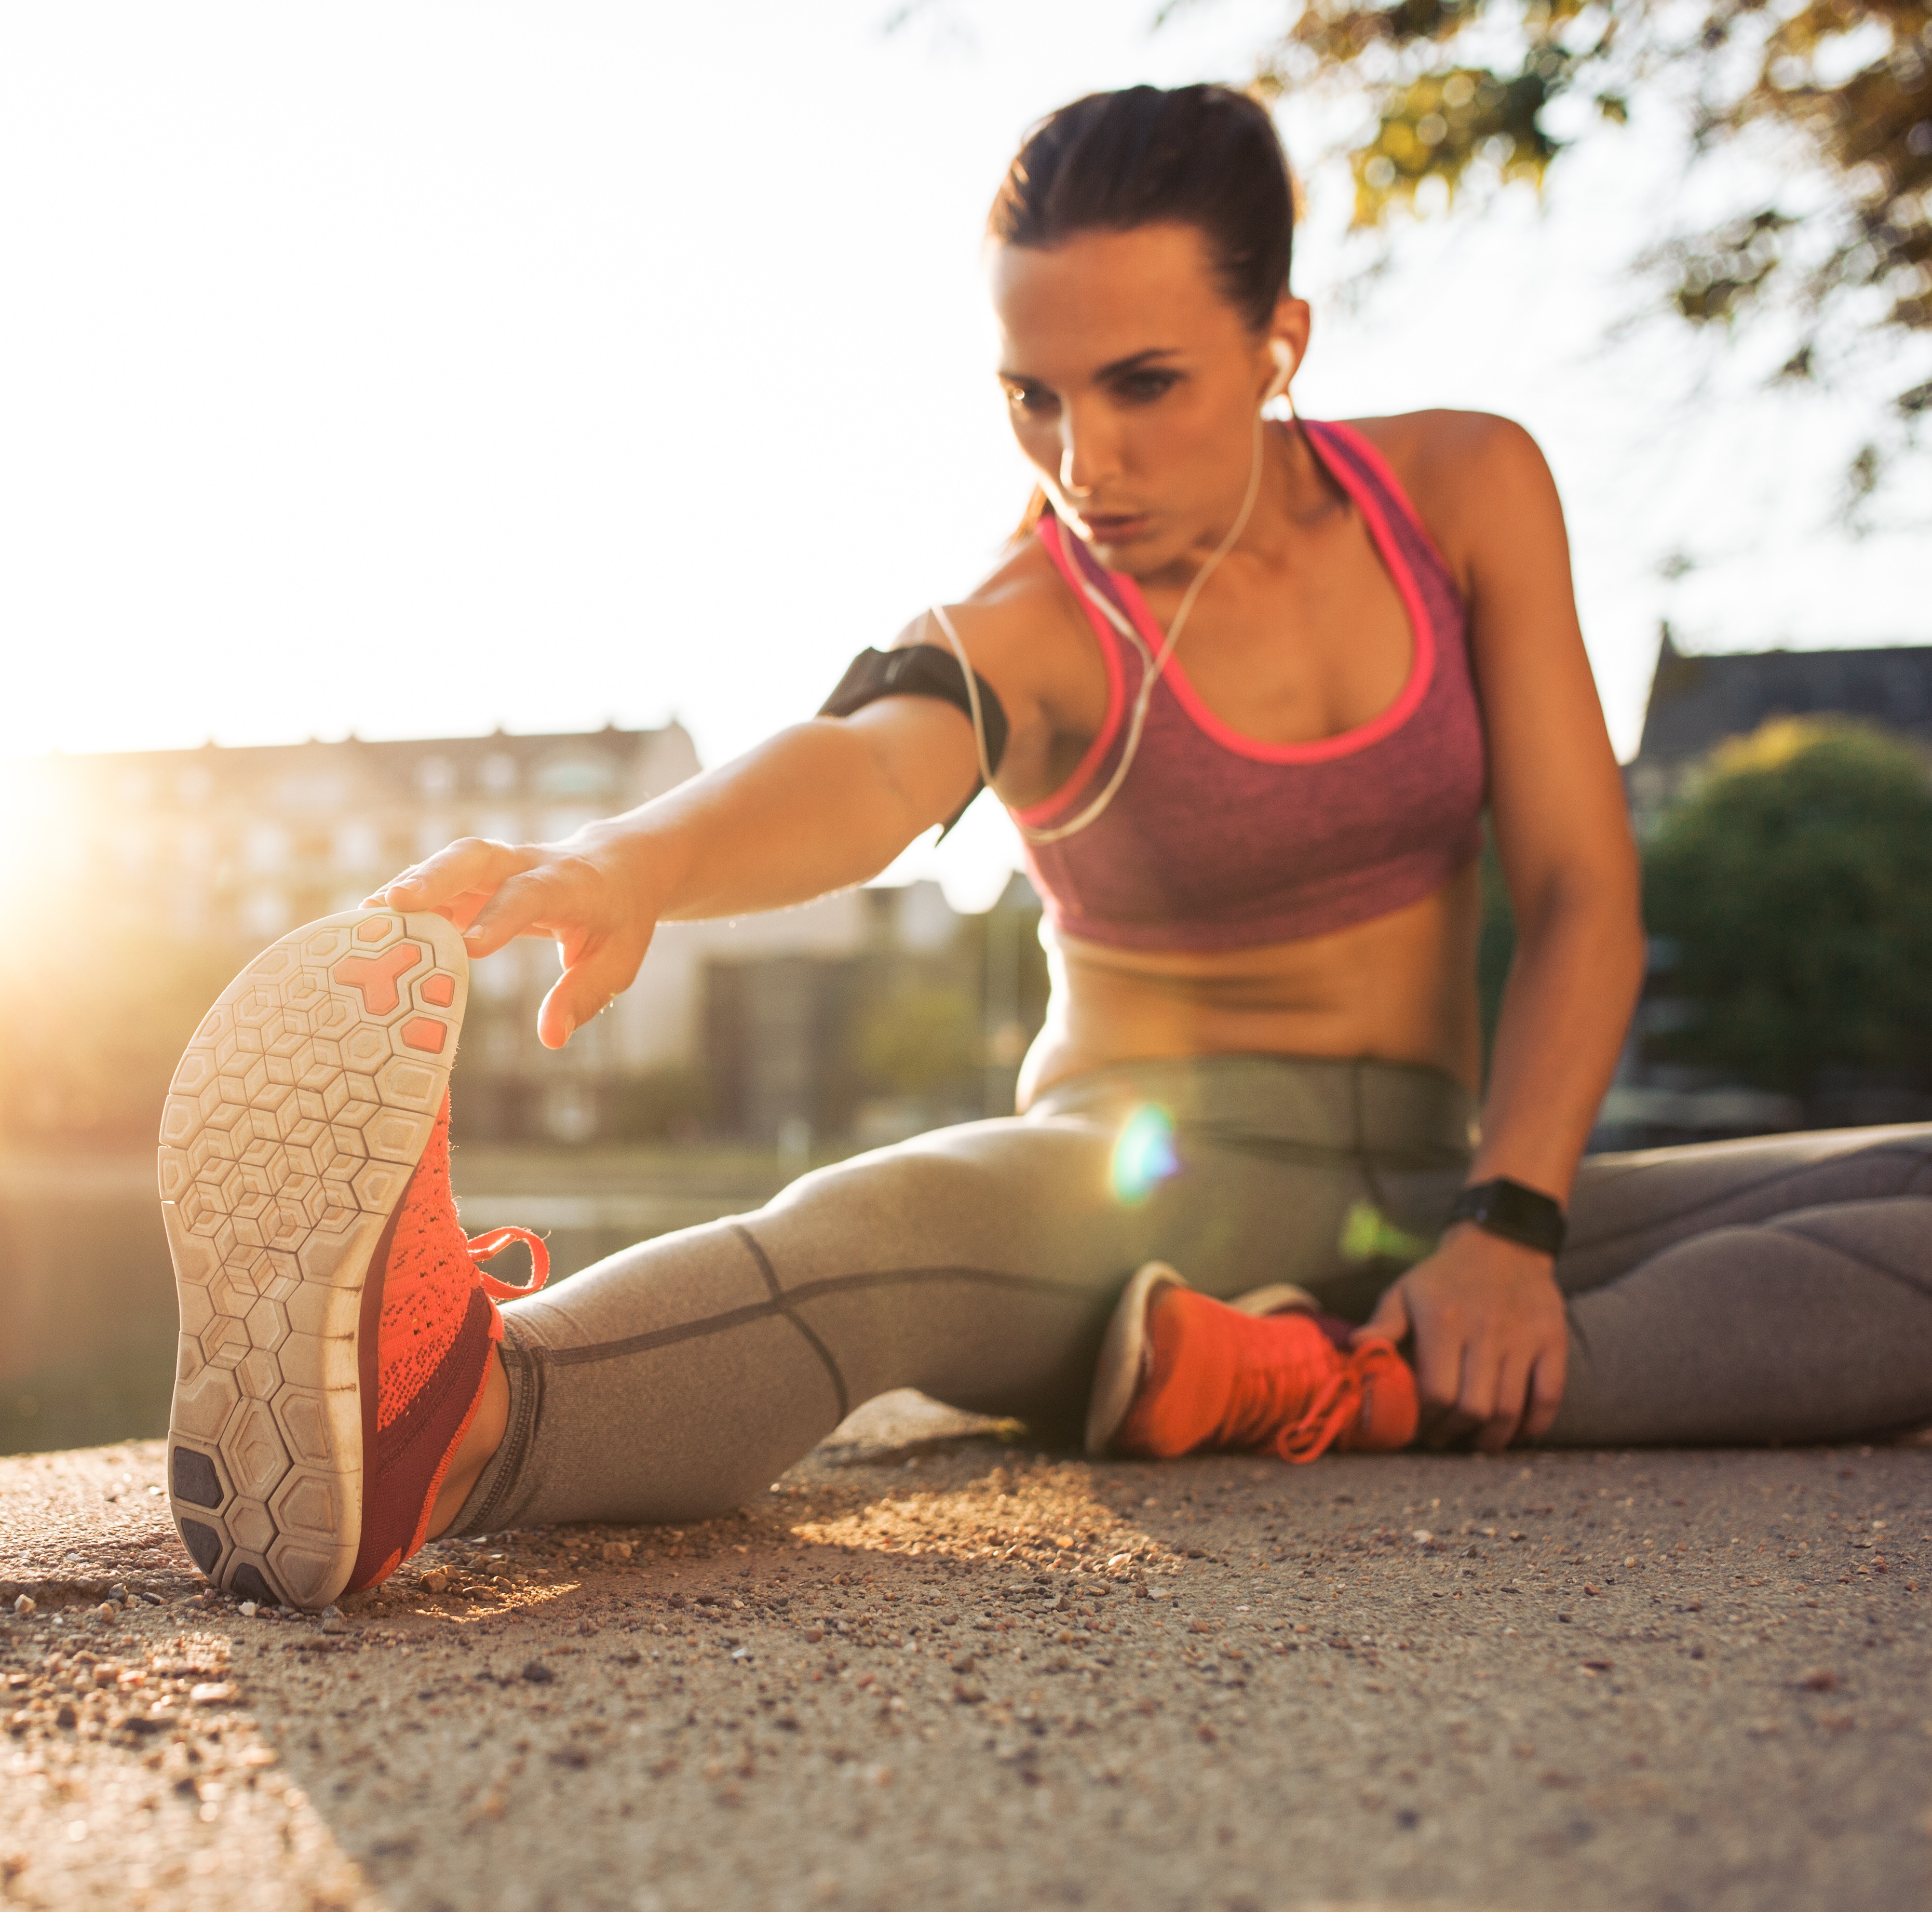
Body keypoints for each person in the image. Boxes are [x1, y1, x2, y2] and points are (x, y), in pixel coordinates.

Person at [155, 85, 1932, 1611]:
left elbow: (1580, 892)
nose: (1086, 459)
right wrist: (636, 861)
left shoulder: (1467, 492)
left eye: (1143, 382)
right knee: (887, 1226)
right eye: (1033, 394)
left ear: (1279, 342)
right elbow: (860, 767)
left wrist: (1507, 1221)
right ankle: (444, 1425)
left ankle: (1337, 1385)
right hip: (1135, 1200)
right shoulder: (1031, 613)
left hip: (1436, 1190)